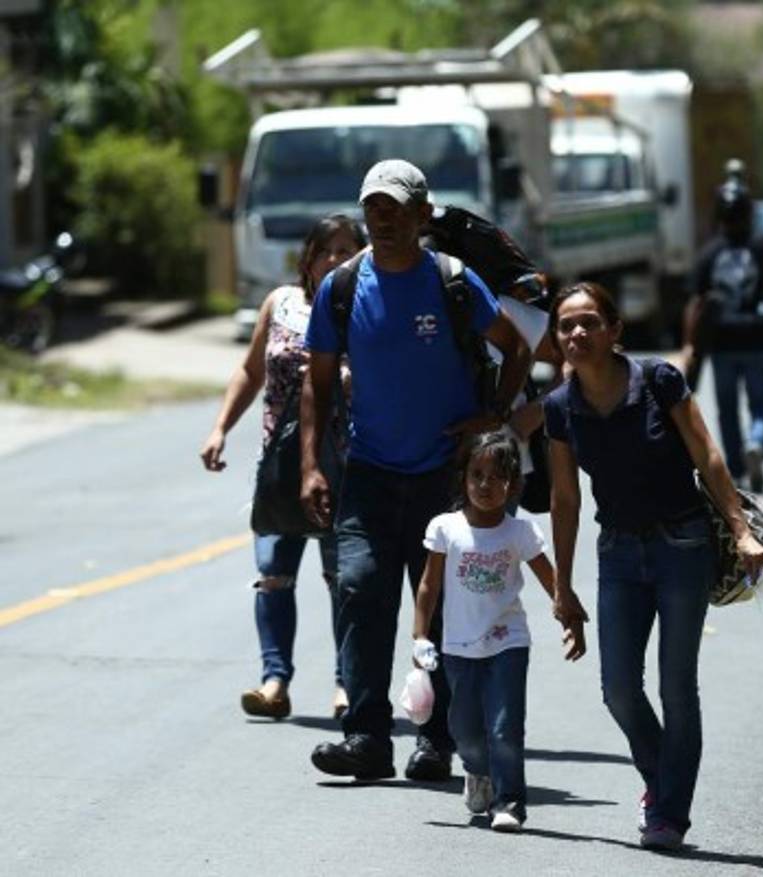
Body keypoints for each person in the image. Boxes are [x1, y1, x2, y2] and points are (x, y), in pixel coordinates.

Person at [300, 159, 533, 783]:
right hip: (369, 473)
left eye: (396, 209)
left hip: (444, 477)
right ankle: (367, 738)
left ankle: (436, 740)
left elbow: (516, 345)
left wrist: (492, 416)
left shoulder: (452, 280)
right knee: (359, 590)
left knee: (443, 609)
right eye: (374, 208)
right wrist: (311, 466)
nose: (383, 219)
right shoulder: (342, 287)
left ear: (422, 214)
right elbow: (317, 385)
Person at [543, 281, 763, 851]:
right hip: (617, 554)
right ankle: (662, 778)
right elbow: (565, 500)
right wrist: (562, 588)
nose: (577, 333)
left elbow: (707, 454)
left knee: (676, 686)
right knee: (618, 689)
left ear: (614, 330)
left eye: (590, 322)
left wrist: (742, 531)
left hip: (682, 546)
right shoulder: (560, 408)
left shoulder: (658, 381)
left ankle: (669, 813)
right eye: (566, 325)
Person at [199, 214, 365, 721]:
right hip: (279, 464)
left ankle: (346, 684)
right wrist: (220, 427)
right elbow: (251, 371)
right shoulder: (280, 303)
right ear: (307, 259)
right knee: (273, 574)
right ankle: (274, 682)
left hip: (344, 465)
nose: (334, 260)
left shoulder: (369, 309)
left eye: (346, 250)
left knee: (343, 579)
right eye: (325, 250)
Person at [412, 431, 585, 833]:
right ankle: (478, 772)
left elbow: (553, 583)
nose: (485, 485)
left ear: (513, 484)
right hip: (458, 647)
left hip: (509, 642)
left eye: (497, 477)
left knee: (505, 726)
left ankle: (510, 801)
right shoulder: (445, 528)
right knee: (465, 731)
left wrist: (571, 618)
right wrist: (420, 637)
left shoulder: (519, 532)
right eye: (477, 475)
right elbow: (428, 586)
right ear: (463, 478)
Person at [681, 181, 763, 493]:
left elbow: (696, 303)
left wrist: (690, 345)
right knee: (761, 404)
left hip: (721, 342)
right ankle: (757, 443)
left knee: (727, 409)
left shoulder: (710, 252)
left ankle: (737, 470)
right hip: (758, 338)